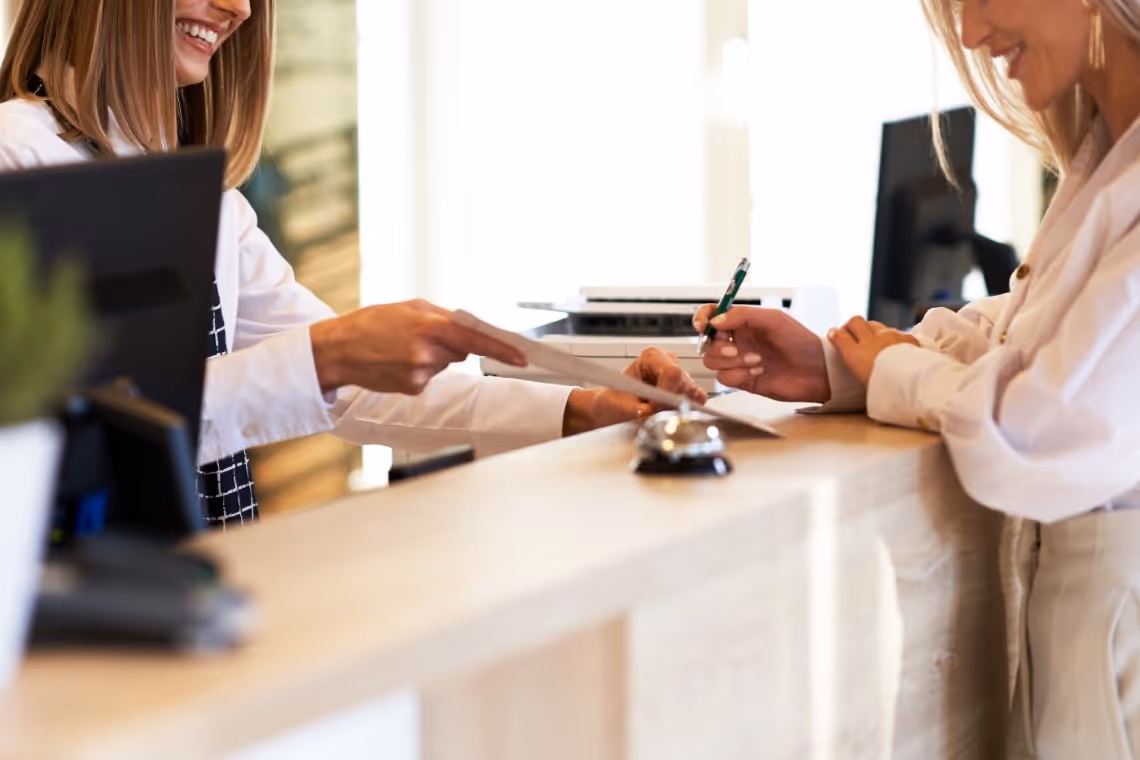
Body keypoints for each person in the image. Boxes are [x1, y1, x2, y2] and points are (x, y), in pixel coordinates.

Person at [0, 0, 706, 529]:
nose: (238, 8)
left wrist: (585, 408)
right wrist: (325, 355)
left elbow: (354, 390)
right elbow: (66, 434)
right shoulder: (16, 159)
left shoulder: (205, 200)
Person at [697, 0, 1140, 755]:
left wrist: (896, 370)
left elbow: (1036, 429)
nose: (969, 33)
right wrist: (840, 366)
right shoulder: (1109, 156)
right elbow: (1028, 333)